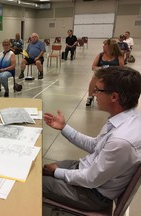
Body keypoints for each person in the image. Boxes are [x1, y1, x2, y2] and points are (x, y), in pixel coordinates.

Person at [43, 66, 141, 212]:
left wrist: (57, 172)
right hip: (88, 170)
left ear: (114, 97)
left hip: (93, 194)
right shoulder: (124, 119)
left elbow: (91, 179)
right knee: (43, 169)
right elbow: (96, 145)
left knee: (34, 182)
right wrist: (64, 127)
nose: (94, 94)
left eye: (98, 90)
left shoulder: (121, 141)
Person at [86, 39, 124, 106]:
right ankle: (90, 96)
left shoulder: (118, 56)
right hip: (102, 73)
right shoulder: (100, 55)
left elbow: (122, 68)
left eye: (105, 45)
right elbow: (93, 67)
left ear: (110, 47)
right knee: (95, 77)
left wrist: (112, 69)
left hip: (114, 74)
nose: (103, 46)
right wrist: (102, 68)